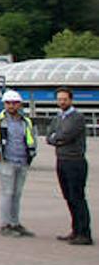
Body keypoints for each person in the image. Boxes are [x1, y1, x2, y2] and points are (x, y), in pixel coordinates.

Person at [0, 89, 37, 237]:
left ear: (19, 104)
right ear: (4, 104)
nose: (11, 106)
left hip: (22, 161)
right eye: (8, 103)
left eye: (14, 103)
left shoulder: (26, 122)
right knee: (7, 193)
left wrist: (32, 153)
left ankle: (15, 223)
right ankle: (5, 224)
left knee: (17, 194)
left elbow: (32, 138)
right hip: (6, 161)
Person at [46, 86, 91, 245]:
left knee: (77, 197)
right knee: (69, 197)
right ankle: (75, 230)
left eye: (64, 99)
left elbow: (65, 135)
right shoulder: (58, 117)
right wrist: (55, 138)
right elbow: (49, 136)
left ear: (71, 100)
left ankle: (84, 233)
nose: (62, 102)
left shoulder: (77, 117)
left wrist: (56, 138)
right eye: (59, 99)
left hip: (75, 161)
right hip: (61, 160)